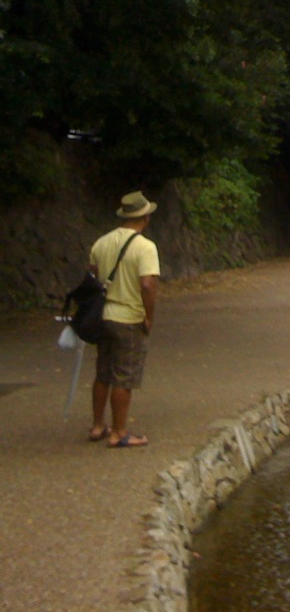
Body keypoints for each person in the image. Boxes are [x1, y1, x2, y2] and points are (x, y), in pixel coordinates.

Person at [87, 191, 160, 448]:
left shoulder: (101, 243)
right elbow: (148, 285)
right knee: (124, 376)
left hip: (103, 317)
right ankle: (119, 432)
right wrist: (148, 316)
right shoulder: (145, 247)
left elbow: (93, 278)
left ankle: (98, 425)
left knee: (102, 373)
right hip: (129, 318)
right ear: (146, 218)